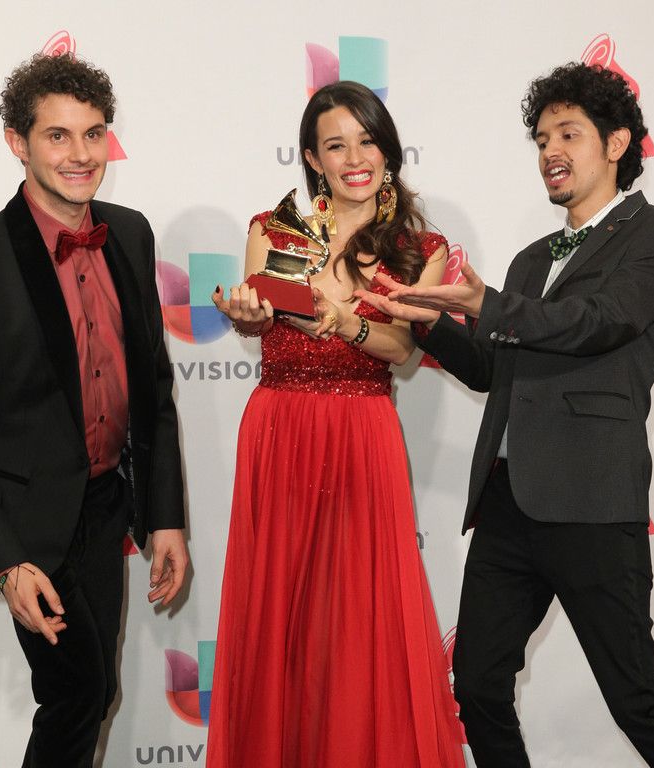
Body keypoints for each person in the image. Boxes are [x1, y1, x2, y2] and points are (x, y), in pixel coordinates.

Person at [359, 62, 654, 767]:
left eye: (568, 134)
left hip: (590, 502)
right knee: (476, 685)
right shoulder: (530, 260)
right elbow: (493, 369)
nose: (550, 150)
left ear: (616, 143)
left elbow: (600, 321)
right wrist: (426, 321)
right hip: (507, 501)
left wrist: (486, 304)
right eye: (541, 139)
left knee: (636, 700)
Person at [0, 53, 188, 767]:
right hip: (28, 525)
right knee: (77, 692)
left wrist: (165, 516)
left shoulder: (131, 234)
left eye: (94, 133)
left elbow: (153, 391)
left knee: (90, 690)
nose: (81, 154)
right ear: (17, 143)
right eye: (58, 135)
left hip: (106, 506)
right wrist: (5, 563)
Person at [207, 81, 464, 768]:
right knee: (277, 610)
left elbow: (402, 349)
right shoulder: (271, 230)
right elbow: (262, 312)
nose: (355, 159)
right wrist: (248, 316)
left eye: (367, 141)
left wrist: (344, 320)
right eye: (336, 145)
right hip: (278, 428)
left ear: (388, 150)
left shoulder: (420, 249)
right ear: (312, 158)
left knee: (358, 613)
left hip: (362, 432)